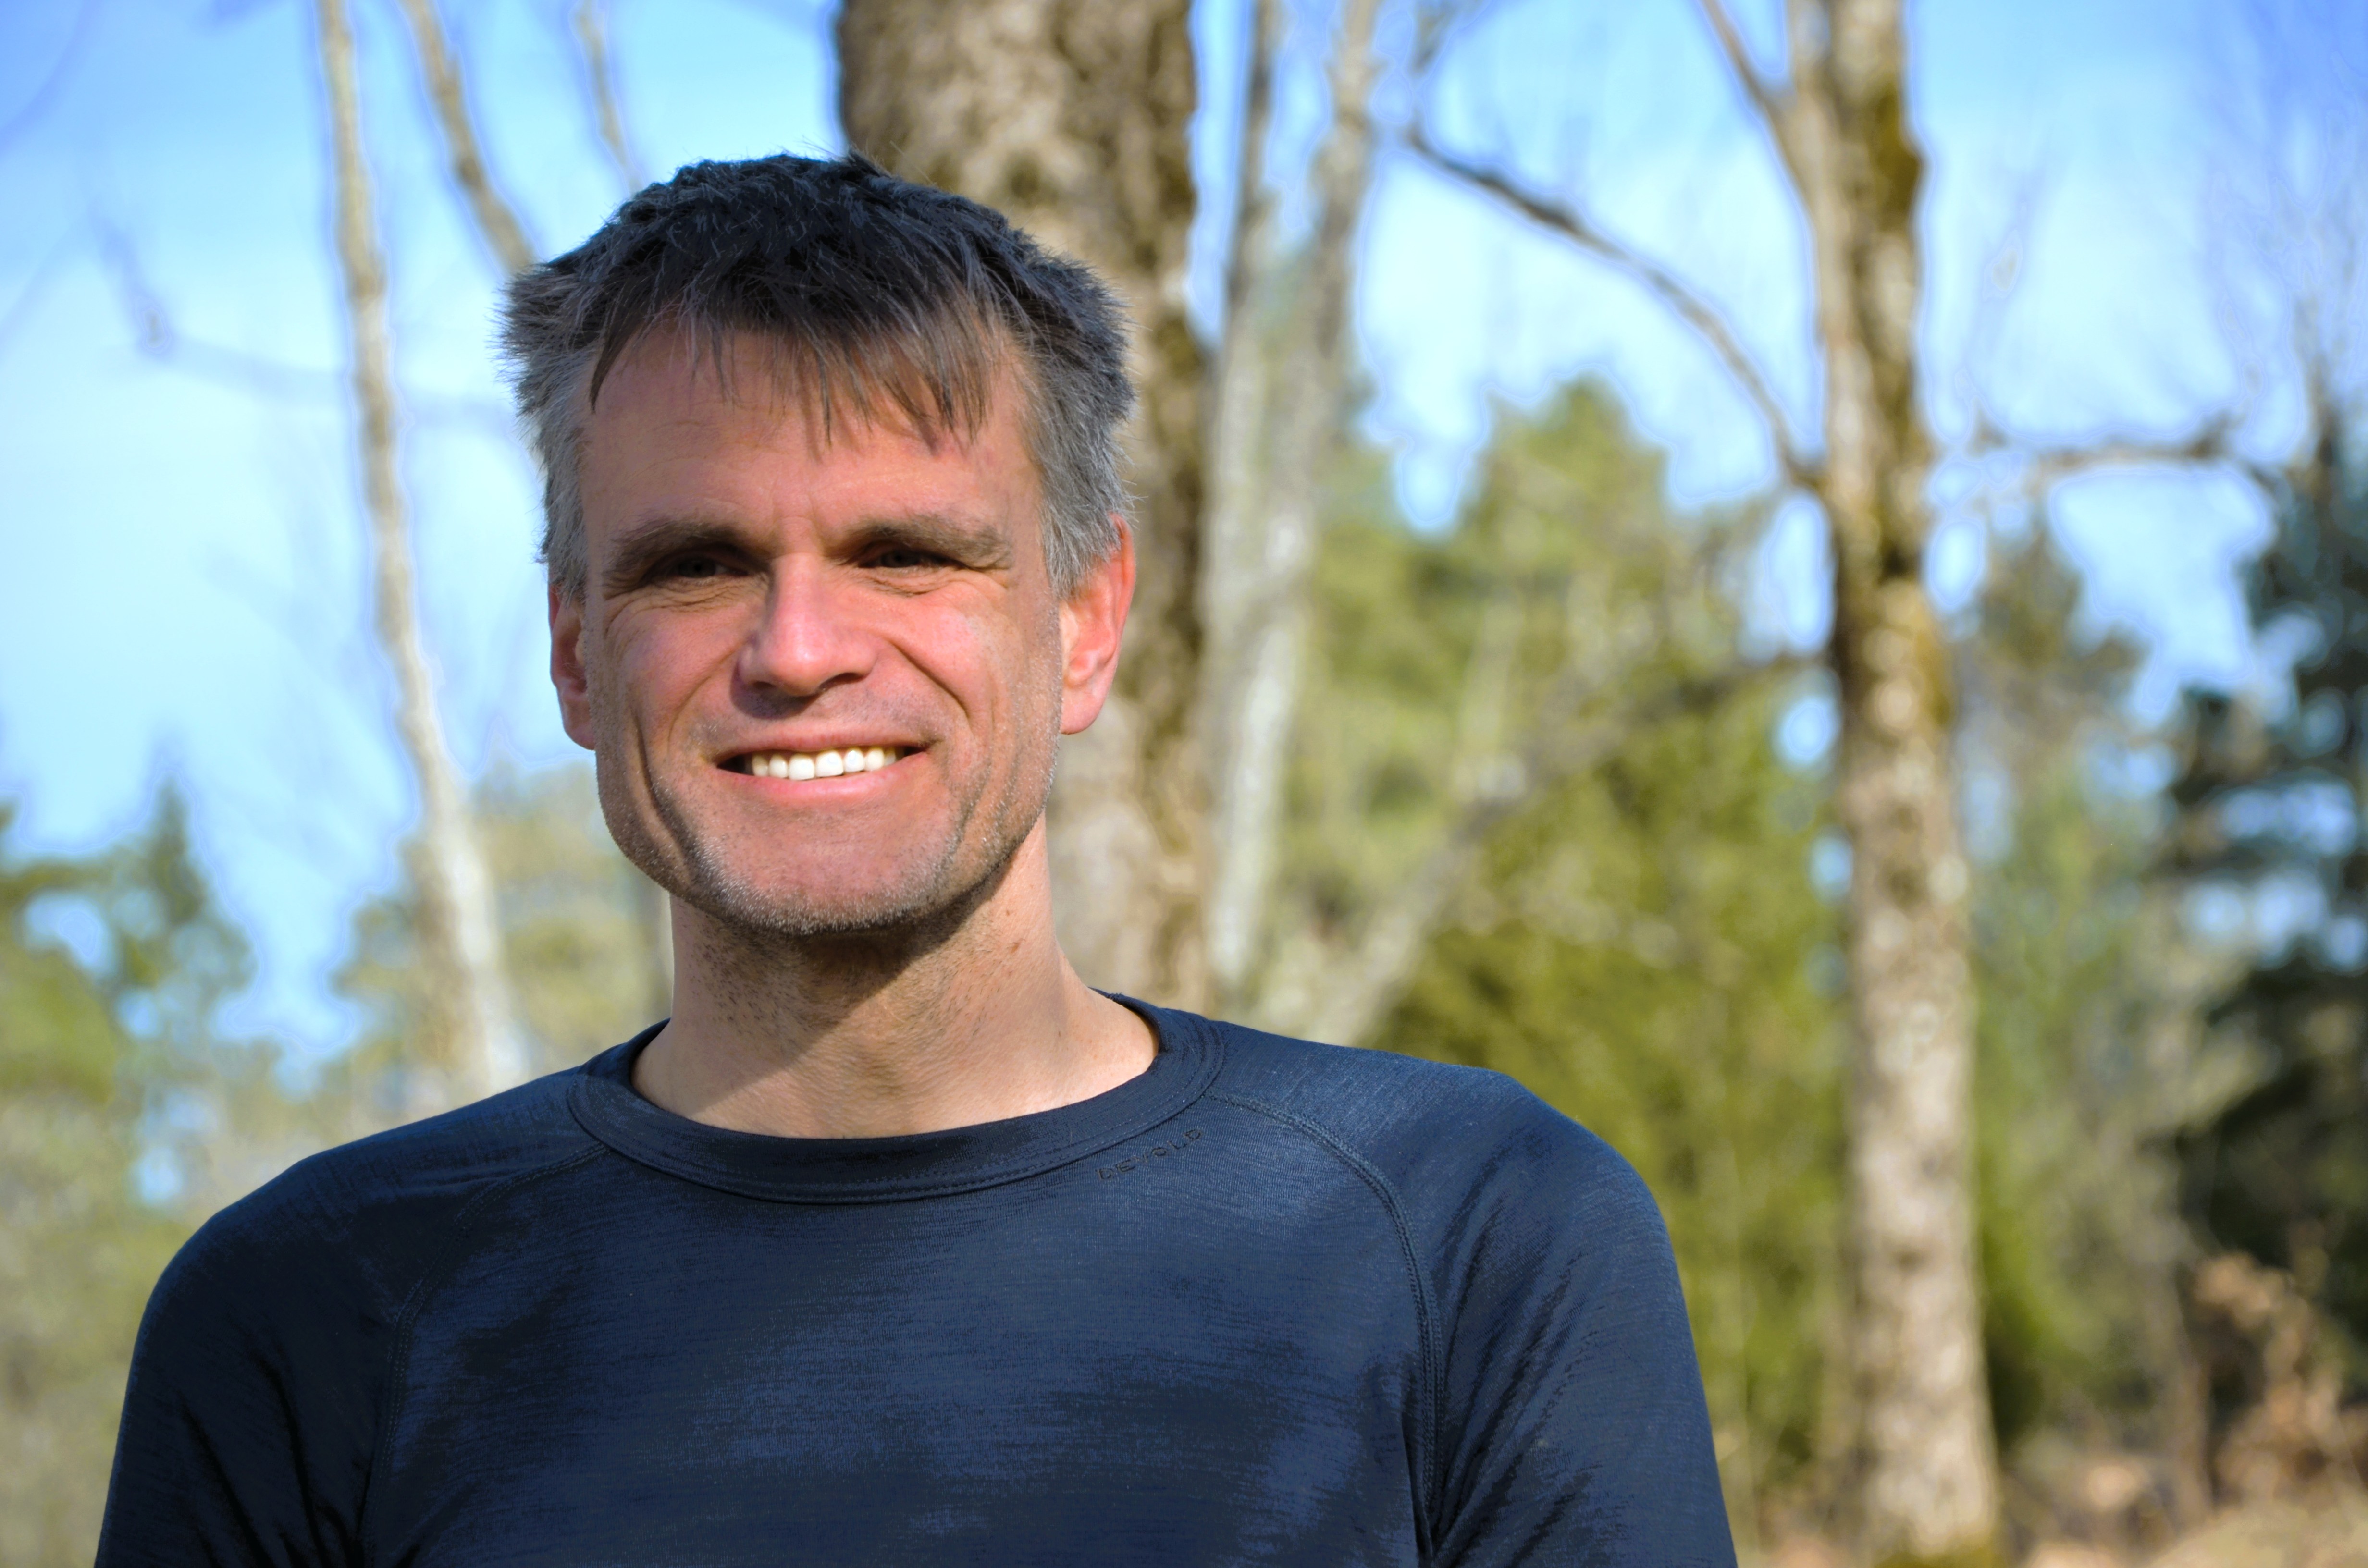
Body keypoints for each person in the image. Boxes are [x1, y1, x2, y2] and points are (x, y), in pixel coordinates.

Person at [97, 153, 1735, 1566]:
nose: (799, 649)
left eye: (905, 553)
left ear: (1085, 622)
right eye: (697, 565)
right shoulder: (314, 1315)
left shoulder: (1476, 1242)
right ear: (577, 654)